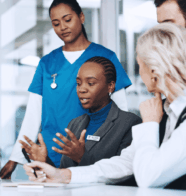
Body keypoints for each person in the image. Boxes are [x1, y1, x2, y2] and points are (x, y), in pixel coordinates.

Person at [24, 23, 186, 189]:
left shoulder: (156, 118)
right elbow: (125, 163)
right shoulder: (165, 113)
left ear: (153, 71)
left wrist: (151, 123)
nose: (139, 72)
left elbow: (147, 177)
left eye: (140, 65)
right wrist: (62, 175)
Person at [0, 0, 131, 178]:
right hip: (49, 154)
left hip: (90, 152)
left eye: (67, 19)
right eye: (56, 23)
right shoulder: (46, 63)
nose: (62, 27)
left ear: (81, 17)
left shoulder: (106, 57)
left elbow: (121, 113)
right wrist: (15, 157)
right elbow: (33, 114)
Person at [20, 56, 141, 168]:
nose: (81, 89)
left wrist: (81, 157)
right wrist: (45, 161)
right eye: (78, 83)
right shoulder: (75, 124)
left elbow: (124, 175)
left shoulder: (130, 124)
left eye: (91, 83)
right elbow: (65, 175)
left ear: (110, 86)